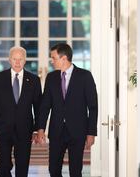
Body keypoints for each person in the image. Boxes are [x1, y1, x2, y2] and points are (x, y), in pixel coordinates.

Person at [37, 43, 98, 177]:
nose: (52, 61)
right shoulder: (51, 78)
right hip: (56, 131)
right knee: (53, 169)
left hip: (78, 131)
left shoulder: (85, 76)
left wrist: (91, 133)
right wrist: (40, 128)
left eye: (54, 58)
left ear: (64, 58)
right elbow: (45, 105)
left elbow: (93, 107)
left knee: (75, 171)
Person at [0, 46, 42, 177]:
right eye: (14, 59)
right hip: (3, 129)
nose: (17, 62)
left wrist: (36, 129)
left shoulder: (33, 80)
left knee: (22, 164)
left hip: (25, 129)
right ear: (9, 60)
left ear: (25, 60)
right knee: (4, 165)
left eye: (20, 59)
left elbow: (38, 107)